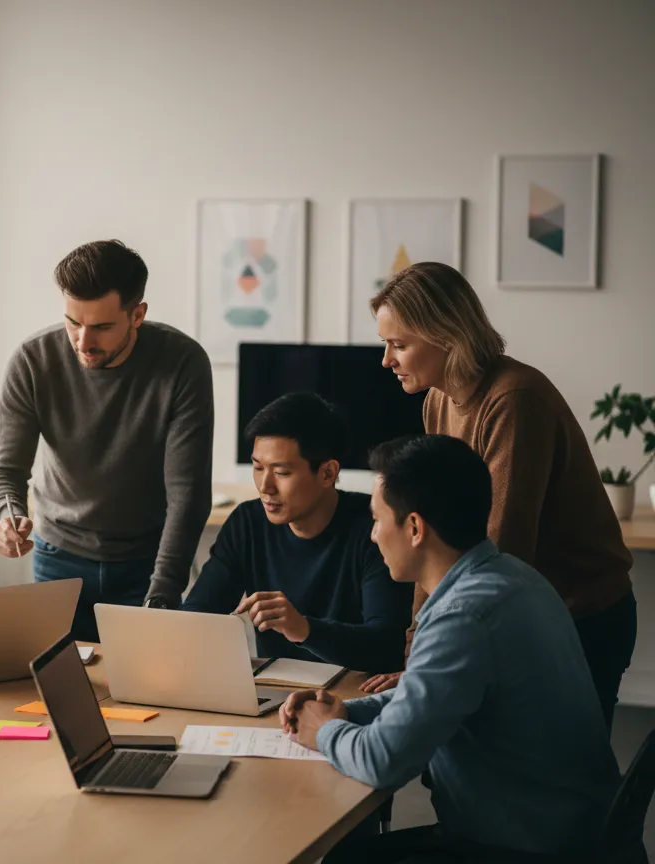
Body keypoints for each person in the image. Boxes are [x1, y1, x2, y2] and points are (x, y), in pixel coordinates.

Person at [282, 434, 621, 863]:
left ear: (415, 528)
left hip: (523, 848)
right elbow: (428, 697)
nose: (371, 536)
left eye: (376, 519)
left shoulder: (463, 617)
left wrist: (323, 730)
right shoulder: (511, 577)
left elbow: (382, 760)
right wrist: (347, 712)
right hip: (570, 833)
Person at [363, 262, 635, 729]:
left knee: (552, 778)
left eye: (399, 344)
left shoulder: (514, 399)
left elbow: (503, 546)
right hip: (511, 608)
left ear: (446, 335)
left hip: (577, 616)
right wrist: (416, 656)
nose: (387, 360)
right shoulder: (437, 399)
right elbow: (431, 542)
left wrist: (430, 661)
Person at [0, 239, 214, 641]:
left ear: (138, 314)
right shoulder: (33, 361)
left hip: (149, 560)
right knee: (53, 690)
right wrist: (7, 516)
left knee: (149, 692)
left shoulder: (182, 363)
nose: (83, 341)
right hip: (57, 557)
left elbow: (188, 494)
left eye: (102, 327)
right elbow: (6, 470)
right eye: (73, 322)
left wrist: (163, 593)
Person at [183, 393, 412, 672]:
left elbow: (387, 646)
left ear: (328, 473)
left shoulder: (375, 529)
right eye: (257, 467)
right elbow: (198, 616)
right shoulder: (248, 521)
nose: (265, 486)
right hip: (274, 689)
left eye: (281, 472)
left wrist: (304, 629)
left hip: (354, 691)